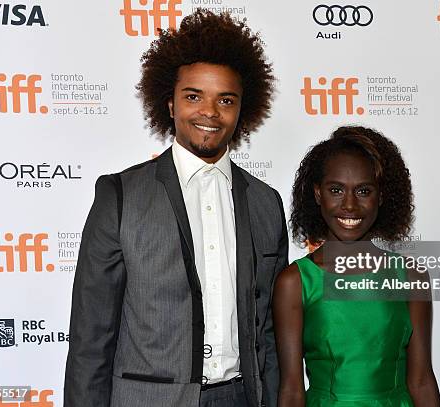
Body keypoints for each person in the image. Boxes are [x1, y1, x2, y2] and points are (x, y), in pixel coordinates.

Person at [64, 10, 287, 407]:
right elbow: (91, 341)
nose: (209, 112)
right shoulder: (119, 196)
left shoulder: (265, 203)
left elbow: (267, 332)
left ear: (242, 110)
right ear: (169, 104)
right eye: (193, 96)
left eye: (226, 100)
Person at [273, 126, 440, 406]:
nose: (349, 205)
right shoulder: (295, 282)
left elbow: (421, 380)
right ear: (317, 194)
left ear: (381, 196)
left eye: (363, 191)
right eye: (336, 190)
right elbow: (291, 389)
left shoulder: (411, 276)